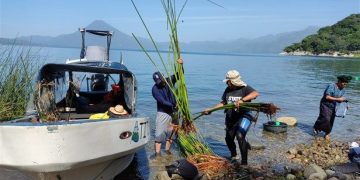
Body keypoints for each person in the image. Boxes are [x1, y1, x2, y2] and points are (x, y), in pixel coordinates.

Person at [203, 70, 259, 165]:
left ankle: (244, 163)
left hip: (244, 115)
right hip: (231, 117)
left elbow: (255, 93)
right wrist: (211, 110)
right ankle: (234, 156)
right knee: (228, 139)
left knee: (240, 135)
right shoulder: (227, 90)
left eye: (228, 81)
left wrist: (242, 100)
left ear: (234, 81)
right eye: (227, 81)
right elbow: (223, 103)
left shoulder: (244, 88)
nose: (227, 83)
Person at [151, 58, 183, 158]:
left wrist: (181, 65)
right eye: (158, 82)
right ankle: (157, 154)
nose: (161, 83)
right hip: (163, 112)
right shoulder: (155, 89)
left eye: (161, 80)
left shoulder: (169, 81)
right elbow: (162, 101)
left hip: (174, 112)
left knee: (171, 134)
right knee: (159, 134)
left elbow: (180, 75)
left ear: (163, 77)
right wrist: (173, 105)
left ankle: (168, 151)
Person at [313, 75, 352, 140]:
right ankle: (316, 127)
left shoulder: (343, 89)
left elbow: (339, 99)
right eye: (344, 82)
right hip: (325, 104)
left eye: (346, 83)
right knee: (325, 118)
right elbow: (327, 97)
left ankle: (327, 133)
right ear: (339, 81)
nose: (345, 84)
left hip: (334, 105)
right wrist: (338, 99)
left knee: (331, 120)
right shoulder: (332, 86)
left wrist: (345, 104)